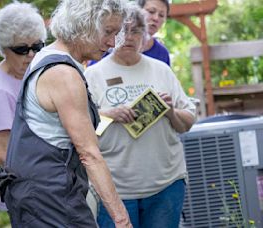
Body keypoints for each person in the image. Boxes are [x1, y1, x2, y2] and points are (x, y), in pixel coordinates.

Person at [0, 0, 133, 227]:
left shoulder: (47, 57)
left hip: (41, 197)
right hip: (50, 199)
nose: (112, 42)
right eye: (107, 31)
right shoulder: (62, 74)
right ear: (83, 24)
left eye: (116, 33)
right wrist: (122, 220)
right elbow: (89, 154)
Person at [84, 4, 196, 228]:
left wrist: (170, 112)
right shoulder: (92, 74)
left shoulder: (160, 70)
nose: (128, 37)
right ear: (110, 35)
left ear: (145, 35)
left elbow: (188, 121)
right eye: (121, 31)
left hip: (165, 183)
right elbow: (79, 129)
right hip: (115, 190)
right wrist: (108, 114)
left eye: (135, 30)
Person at [0, 2, 46, 207]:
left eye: (37, 47)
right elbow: (2, 153)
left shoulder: (25, 74)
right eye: (21, 49)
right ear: (4, 48)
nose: (31, 55)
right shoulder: (1, 90)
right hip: (26, 190)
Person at [87, 0, 171, 66]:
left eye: (161, 15)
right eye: (151, 11)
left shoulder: (162, 53)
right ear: (138, 9)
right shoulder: (108, 46)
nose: (156, 18)